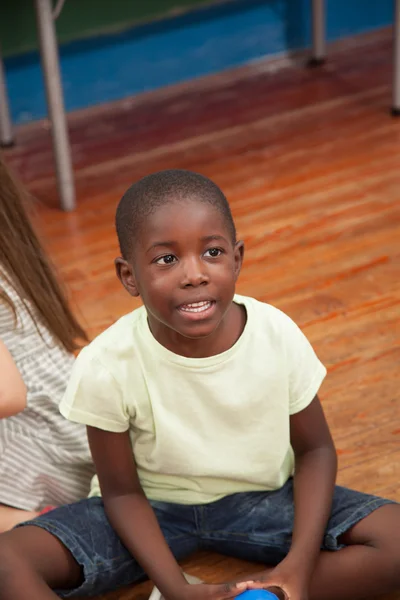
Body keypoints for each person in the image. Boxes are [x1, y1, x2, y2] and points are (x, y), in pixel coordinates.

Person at [0, 169, 399, 600]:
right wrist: (174, 588)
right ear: (129, 275)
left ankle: (268, 595)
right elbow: (121, 492)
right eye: (166, 259)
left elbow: (316, 451)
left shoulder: (276, 334)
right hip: (150, 510)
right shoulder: (106, 362)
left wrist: (298, 568)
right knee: (7, 560)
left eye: (212, 252)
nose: (194, 274)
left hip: (262, 498)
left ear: (237, 259)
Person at [0, 156, 95, 531]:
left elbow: (9, 396)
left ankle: (68, 532)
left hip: (41, 438)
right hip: (73, 414)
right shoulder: (9, 246)